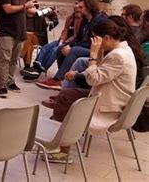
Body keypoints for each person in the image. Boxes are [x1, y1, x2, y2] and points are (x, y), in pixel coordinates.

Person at [42, 20, 137, 163]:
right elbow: (99, 71)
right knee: (67, 97)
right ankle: (61, 134)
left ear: (106, 38)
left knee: (66, 98)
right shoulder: (122, 49)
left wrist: (93, 55)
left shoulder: (118, 56)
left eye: (95, 39)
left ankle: (63, 149)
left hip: (110, 106)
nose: (94, 43)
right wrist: (99, 54)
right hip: (109, 97)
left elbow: (93, 79)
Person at [36, 0, 107, 90]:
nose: (77, 8)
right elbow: (78, 38)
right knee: (61, 48)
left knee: (75, 50)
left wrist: (73, 48)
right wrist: (68, 45)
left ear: (89, 8)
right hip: (84, 46)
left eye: (81, 7)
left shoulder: (99, 21)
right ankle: (64, 78)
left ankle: (58, 79)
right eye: (77, 5)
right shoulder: (85, 19)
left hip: (95, 49)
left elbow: (95, 42)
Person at [0, 0, 38, 98]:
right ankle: (2, 85)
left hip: (20, 31)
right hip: (6, 31)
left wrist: (43, 12)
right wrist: (25, 6)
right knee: (5, 59)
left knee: (14, 60)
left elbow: (29, 11)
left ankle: (10, 81)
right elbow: (8, 9)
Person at [21, 0, 83, 81]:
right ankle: (35, 66)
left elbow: (76, 36)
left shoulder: (39, 15)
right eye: (75, 3)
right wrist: (61, 40)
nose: (76, 6)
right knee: (46, 47)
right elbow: (65, 31)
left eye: (80, 5)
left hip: (71, 42)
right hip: (63, 40)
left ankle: (38, 71)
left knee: (55, 50)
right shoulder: (70, 18)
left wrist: (49, 10)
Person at [19, 3, 59, 71]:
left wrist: (52, 9)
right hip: (25, 39)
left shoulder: (39, 16)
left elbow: (52, 16)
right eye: (30, 6)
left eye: (33, 6)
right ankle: (27, 66)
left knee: (28, 36)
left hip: (37, 37)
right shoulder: (22, 16)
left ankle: (22, 53)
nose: (31, 8)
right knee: (29, 45)